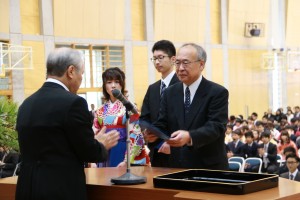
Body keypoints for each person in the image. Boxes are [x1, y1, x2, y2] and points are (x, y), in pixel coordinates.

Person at [15, 47, 120, 200]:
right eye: (82, 73)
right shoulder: (73, 103)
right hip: (59, 190)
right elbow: (88, 152)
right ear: (71, 71)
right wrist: (100, 144)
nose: (81, 79)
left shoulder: (27, 104)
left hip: (26, 189)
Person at [146, 43, 229, 169]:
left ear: (201, 64)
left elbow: (216, 127)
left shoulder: (217, 92)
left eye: (185, 63)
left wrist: (190, 136)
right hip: (177, 165)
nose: (180, 68)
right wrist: (153, 132)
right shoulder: (170, 92)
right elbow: (163, 122)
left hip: (208, 167)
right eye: (177, 63)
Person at [93, 67, 150, 167]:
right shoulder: (100, 110)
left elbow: (135, 134)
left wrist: (127, 160)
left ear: (122, 84)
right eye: (109, 82)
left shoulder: (130, 107)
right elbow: (94, 133)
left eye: (117, 82)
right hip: (104, 151)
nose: (113, 85)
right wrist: (93, 158)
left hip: (122, 151)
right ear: (105, 86)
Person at [140, 40, 179, 167]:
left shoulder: (182, 85)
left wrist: (171, 143)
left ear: (173, 59)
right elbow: (145, 116)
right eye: (154, 59)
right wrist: (147, 132)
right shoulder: (153, 88)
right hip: (156, 151)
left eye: (161, 58)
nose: (157, 62)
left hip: (176, 152)